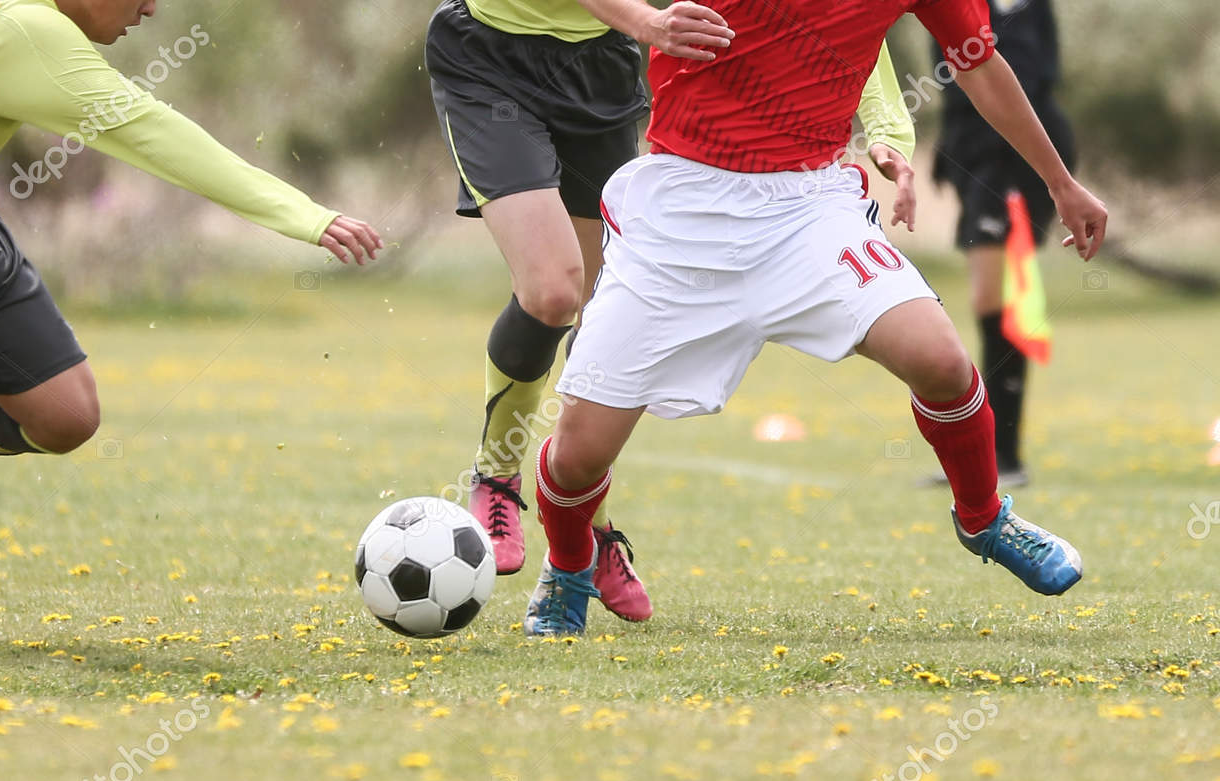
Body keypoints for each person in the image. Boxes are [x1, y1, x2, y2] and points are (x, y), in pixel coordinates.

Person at [0, 0, 381, 643]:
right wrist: (303, 216)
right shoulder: (24, 34)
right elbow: (154, 133)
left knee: (67, 417)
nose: (151, 7)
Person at [523, 0, 1107, 636]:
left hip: (807, 207)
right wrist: (642, 21)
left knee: (941, 361)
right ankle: (570, 562)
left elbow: (979, 63)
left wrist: (1059, 181)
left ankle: (984, 517)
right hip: (681, 211)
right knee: (578, 457)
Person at [426, 0, 919, 626]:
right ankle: (497, 477)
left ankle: (588, 532)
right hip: (491, 54)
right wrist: (645, 22)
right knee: (553, 291)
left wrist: (886, 130)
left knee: (601, 324)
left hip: (599, 63)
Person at [927, 0, 1073, 488]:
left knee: (999, 301)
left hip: (1013, 157)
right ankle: (991, 457)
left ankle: (1003, 458)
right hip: (975, 158)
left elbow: (1020, 78)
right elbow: (952, 78)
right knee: (990, 303)